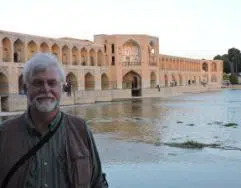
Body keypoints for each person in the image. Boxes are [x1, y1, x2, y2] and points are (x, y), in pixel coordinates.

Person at [0, 53, 108, 188]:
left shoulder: (80, 130)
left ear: (61, 88)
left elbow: (97, 182)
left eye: (52, 83)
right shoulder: (5, 134)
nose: (46, 89)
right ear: (26, 88)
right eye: (38, 83)